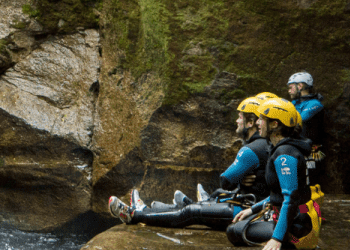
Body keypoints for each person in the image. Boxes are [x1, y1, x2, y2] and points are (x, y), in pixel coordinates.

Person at [106, 93, 275, 229]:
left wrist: (240, 179)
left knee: (192, 212)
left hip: (248, 210)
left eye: (240, 117)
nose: (236, 121)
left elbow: (226, 181)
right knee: (203, 203)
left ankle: (135, 215)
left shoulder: (252, 149)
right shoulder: (269, 145)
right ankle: (147, 210)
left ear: (251, 122)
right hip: (253, 205)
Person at [227, 98, 323, 250]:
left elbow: (290, 199)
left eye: (261, 119)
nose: (258, 123)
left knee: (234, 231)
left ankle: (285, 241)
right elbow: (278, 195)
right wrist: (252, 209)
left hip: (298, 228)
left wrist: (276, 238)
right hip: (297, 220)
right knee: (241, 222)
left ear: (274, 124)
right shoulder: (284, 148)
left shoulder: (285, 154)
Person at [287, 71, 325, 173]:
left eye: (291, 87)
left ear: (300, 86)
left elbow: (300, 119)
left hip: (312, 151)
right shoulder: (295, 102)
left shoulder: (315, 104)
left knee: (311, 178)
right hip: (297, 147)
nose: (289, 91)